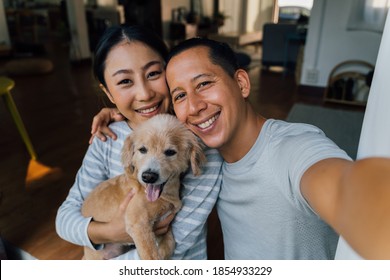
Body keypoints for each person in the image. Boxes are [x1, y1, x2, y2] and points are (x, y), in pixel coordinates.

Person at [94, 37, 390, 260]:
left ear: (242, 83)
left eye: (204, 83)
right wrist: (120, 113)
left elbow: (339, 183)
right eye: (180, 95)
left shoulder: (294, 146)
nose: (195, 106)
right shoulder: (201, 154)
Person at [55, 25, 223, 260]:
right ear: (109, 94)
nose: (144, 94)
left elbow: (180, 241)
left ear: (170, 72)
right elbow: (64, 220)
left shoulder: (196, 141)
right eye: (125, 81)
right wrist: (111, 232)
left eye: (154, 74)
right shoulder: (106, 139)